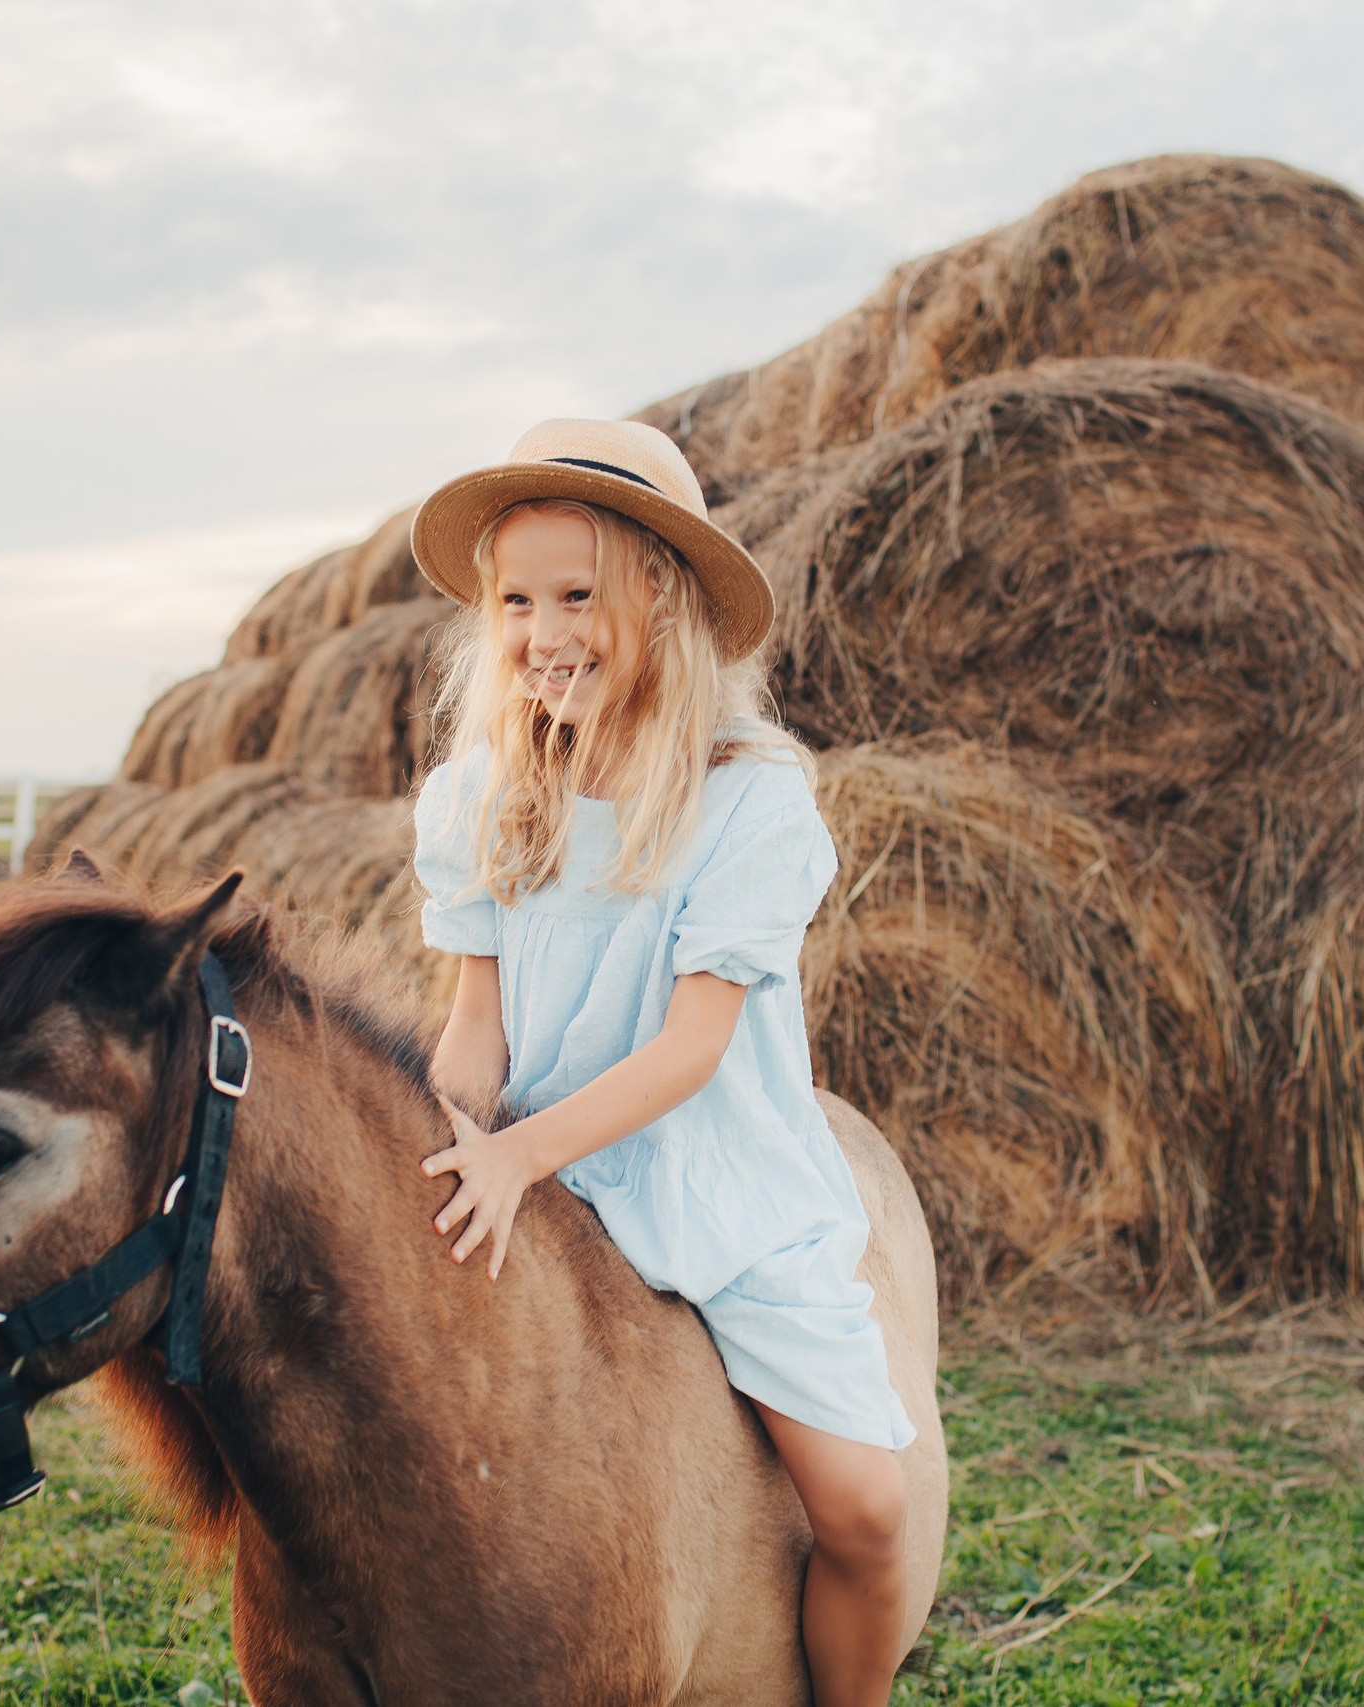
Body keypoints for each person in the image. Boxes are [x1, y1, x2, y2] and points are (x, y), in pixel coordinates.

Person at [409, 419, 916, 1705]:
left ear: (662, 597)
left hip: (710, 1181)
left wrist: (524, 1151)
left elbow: (694, 1047)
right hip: (536, 1168)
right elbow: (477, 1023)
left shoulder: (749, 799)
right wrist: (455, 1146)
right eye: (515, 601)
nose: (543, 630)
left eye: (578, 594)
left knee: (863, 1509)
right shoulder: (480, 796)